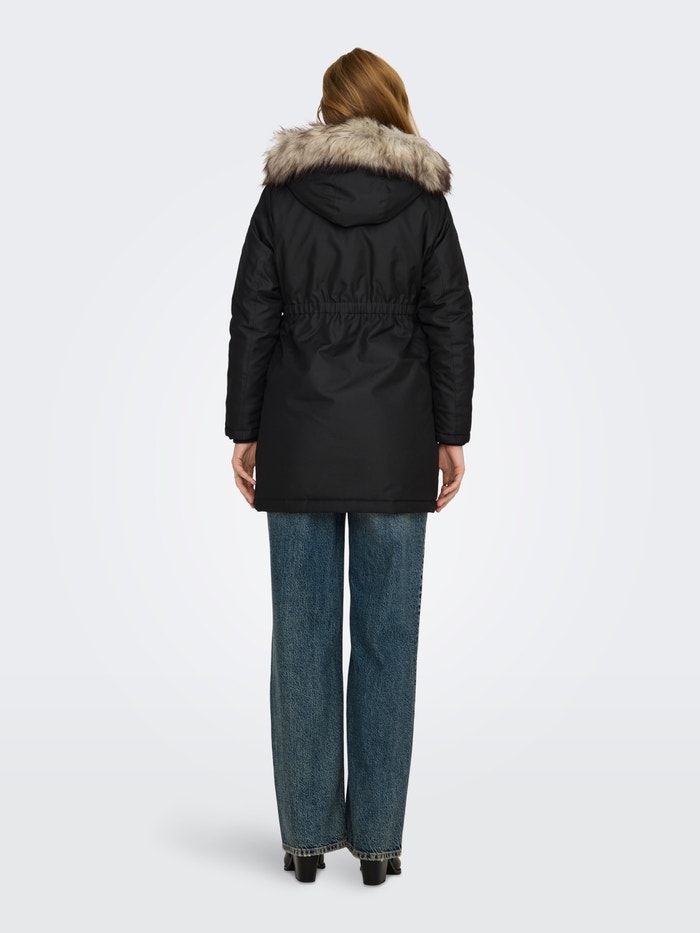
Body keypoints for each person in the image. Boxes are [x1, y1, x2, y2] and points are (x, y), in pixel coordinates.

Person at [224, 47, 475, 885]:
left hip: (297, 437)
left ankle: (304, 839)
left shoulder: (282, 198)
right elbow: (450, 320)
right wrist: (450, 433)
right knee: (387, 640)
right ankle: (378, 843)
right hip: (395, 443)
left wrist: (245, 428)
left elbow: (253, 316)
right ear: (391, 104)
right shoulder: (424, 203)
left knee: (300, 637)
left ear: (330, 109)